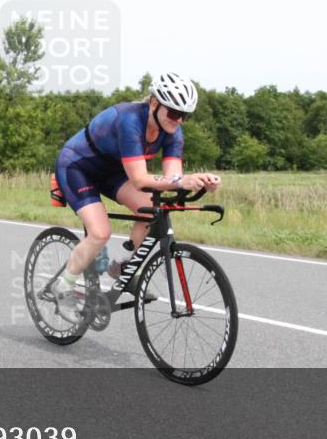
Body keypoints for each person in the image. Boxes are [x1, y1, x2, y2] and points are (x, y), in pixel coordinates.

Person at [52, 73, 221, 323]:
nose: (179, 120)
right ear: (154, 103)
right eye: (174, 113)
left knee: (151, 209)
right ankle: (62, 287)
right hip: (78, 167)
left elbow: (172, 179)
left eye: (186, 115)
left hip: (114, 172)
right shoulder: (130, 120)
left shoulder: (173, 131)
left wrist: (199, 183)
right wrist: (181, 181)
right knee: (99, 233)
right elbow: (141, 180)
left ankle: (123, 267)